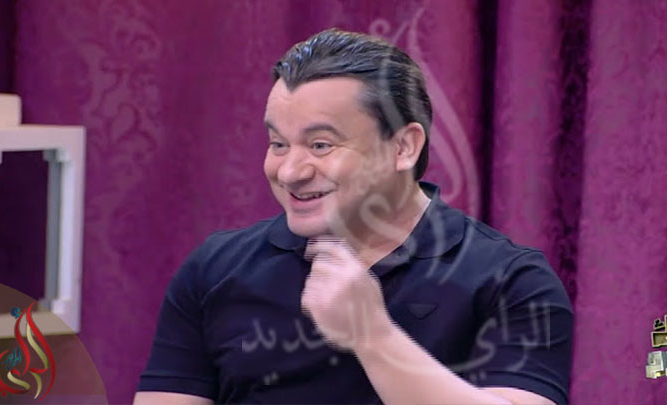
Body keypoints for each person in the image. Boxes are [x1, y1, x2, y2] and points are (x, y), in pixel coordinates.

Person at [134, 28, 572, 405]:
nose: (290, 172)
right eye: (278, 144)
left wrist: (373, 336)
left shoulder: (510, 280)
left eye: (321, 145)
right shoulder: (215, 270)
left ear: (403, 147)